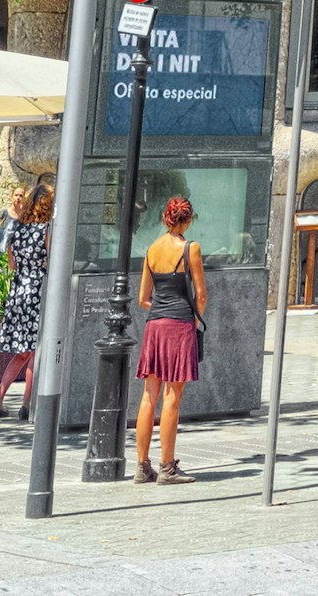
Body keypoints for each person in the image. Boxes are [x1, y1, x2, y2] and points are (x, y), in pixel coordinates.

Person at [131, 194, 204, 484]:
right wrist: (194, 318)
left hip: (154, 326)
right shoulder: (191, 249)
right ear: (186, 220)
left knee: (149, 395)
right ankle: (167, 467)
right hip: (178, 325)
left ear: (165, 218)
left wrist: (161, 310)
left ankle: (141, 465)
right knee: (173, 397)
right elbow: (200, 294)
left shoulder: (151, 249)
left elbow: (142, 298)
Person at [0, 179, 51, 420]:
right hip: (37, 288)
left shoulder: (17, 229)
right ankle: (26, 403)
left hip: (18, 290)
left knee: (22, 352)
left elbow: (11, 263)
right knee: (35, 350)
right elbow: (51, 259)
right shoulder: (45, 229)